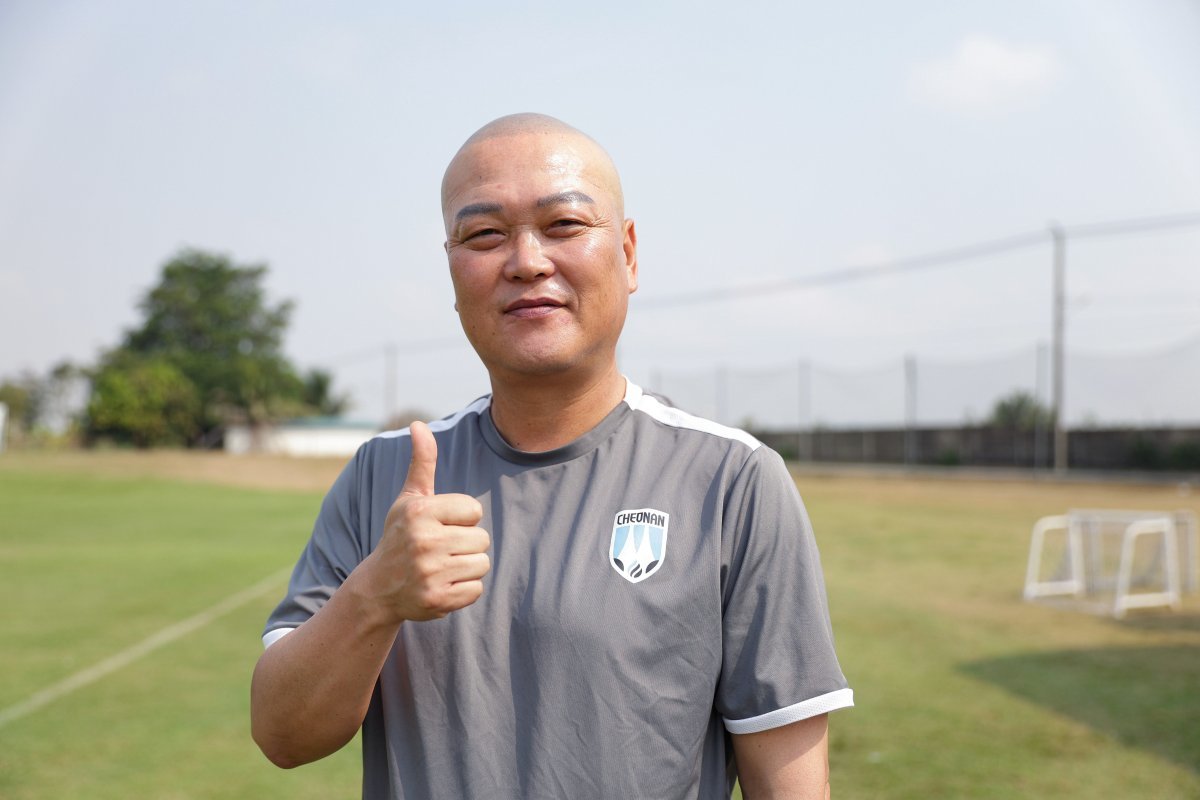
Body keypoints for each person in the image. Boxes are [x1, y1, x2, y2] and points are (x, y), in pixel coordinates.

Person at [251, 113, 853, 799]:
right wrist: (374, 598)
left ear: (628, 254)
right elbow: (282, 735)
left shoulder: (732, 481)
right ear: (452, 273)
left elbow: (791, 783)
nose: (527, 261)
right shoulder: (382, 477)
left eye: (564, 225)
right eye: (484, 235)